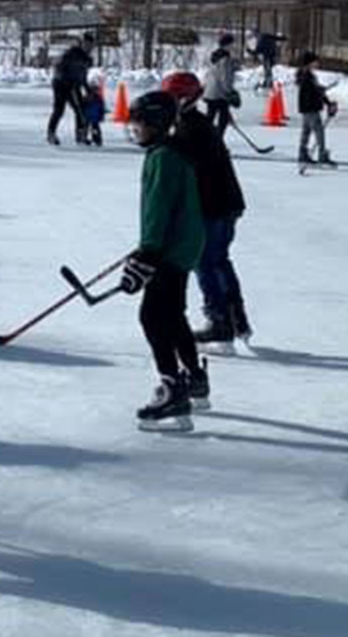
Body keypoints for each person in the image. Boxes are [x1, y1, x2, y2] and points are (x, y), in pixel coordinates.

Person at [118, 89, 208, 431]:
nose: (135, 129)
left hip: (171, 249)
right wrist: (148, 249)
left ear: (156, 124)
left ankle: (173, 389)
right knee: (172, 314)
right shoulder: (170, 152)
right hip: (182, 247)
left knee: (152, 317)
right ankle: (194, 378)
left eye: (139, 123)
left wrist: (149, 253)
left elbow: (159, 207)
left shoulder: (163, 158)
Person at [160, 71, 251, 345]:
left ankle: (220, 320)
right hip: (224, 203)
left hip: (215, 206)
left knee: (205, 262)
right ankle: (236, 318)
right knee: (218, 260)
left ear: (186, 98)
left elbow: (191, 171)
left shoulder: (191, 128)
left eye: (173, 98)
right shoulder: (190, 124)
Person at [47, 35, 94, 146]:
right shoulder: (72, 53)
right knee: (59, 109)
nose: (88, 47)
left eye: (90, 46)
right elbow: (59, 67)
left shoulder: (87, 59)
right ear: (82, 44)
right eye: (86, 44)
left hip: (73, 85)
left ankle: (80, 135)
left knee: (81, 109)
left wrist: (88, 90)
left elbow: (83, 77)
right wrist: (65, 78)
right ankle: (51, 133)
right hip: (60, 84)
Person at [295, 51, 336, 170]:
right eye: (315, 61)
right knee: (319, 132)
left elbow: (316, 91)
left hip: (306, 108)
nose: (317, 63)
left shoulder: (306, 76)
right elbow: (313, 92)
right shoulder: (307, 77)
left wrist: (326, 100)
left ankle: (302, 153)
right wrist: (321, 94)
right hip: (311, 108)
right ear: (309, 63)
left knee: (306, 131)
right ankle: (321, 154)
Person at [202, 35, 240, 138]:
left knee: (211, 116)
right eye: (232, 44)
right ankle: (217, 139)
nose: (233, 46)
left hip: (211, 92)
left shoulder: (215, 56)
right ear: (227, 45)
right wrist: (230, 92)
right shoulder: (225, 59)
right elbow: (225, 78)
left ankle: (207, 137)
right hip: (220, 94)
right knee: (223, 118)